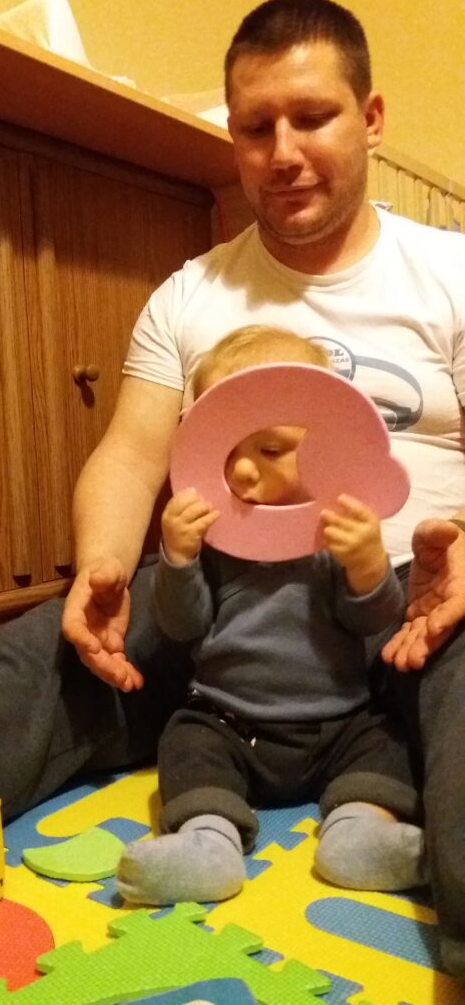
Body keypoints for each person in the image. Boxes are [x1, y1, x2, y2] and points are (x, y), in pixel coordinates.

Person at [0, 0, 464, 977]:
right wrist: (105, 570)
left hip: (419, 602)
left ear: (370, 118)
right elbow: (129, 453)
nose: (283, 152)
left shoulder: (449, 271)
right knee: (19, 676)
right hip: (221, 606)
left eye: (313, 117)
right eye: (255, 127)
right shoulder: (190, 293)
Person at [116, 325, 425, 906]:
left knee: (388, 738)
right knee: (185, 741)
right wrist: (178, 559)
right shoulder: (214, 535)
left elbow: (374, 623)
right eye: (227, 450)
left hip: (340, 723)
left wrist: (366, 564)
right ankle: (208, 842)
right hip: (228, 720)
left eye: (272, 450)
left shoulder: (332, 528)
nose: (243, 471)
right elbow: (182, 627)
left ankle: (359, 832)